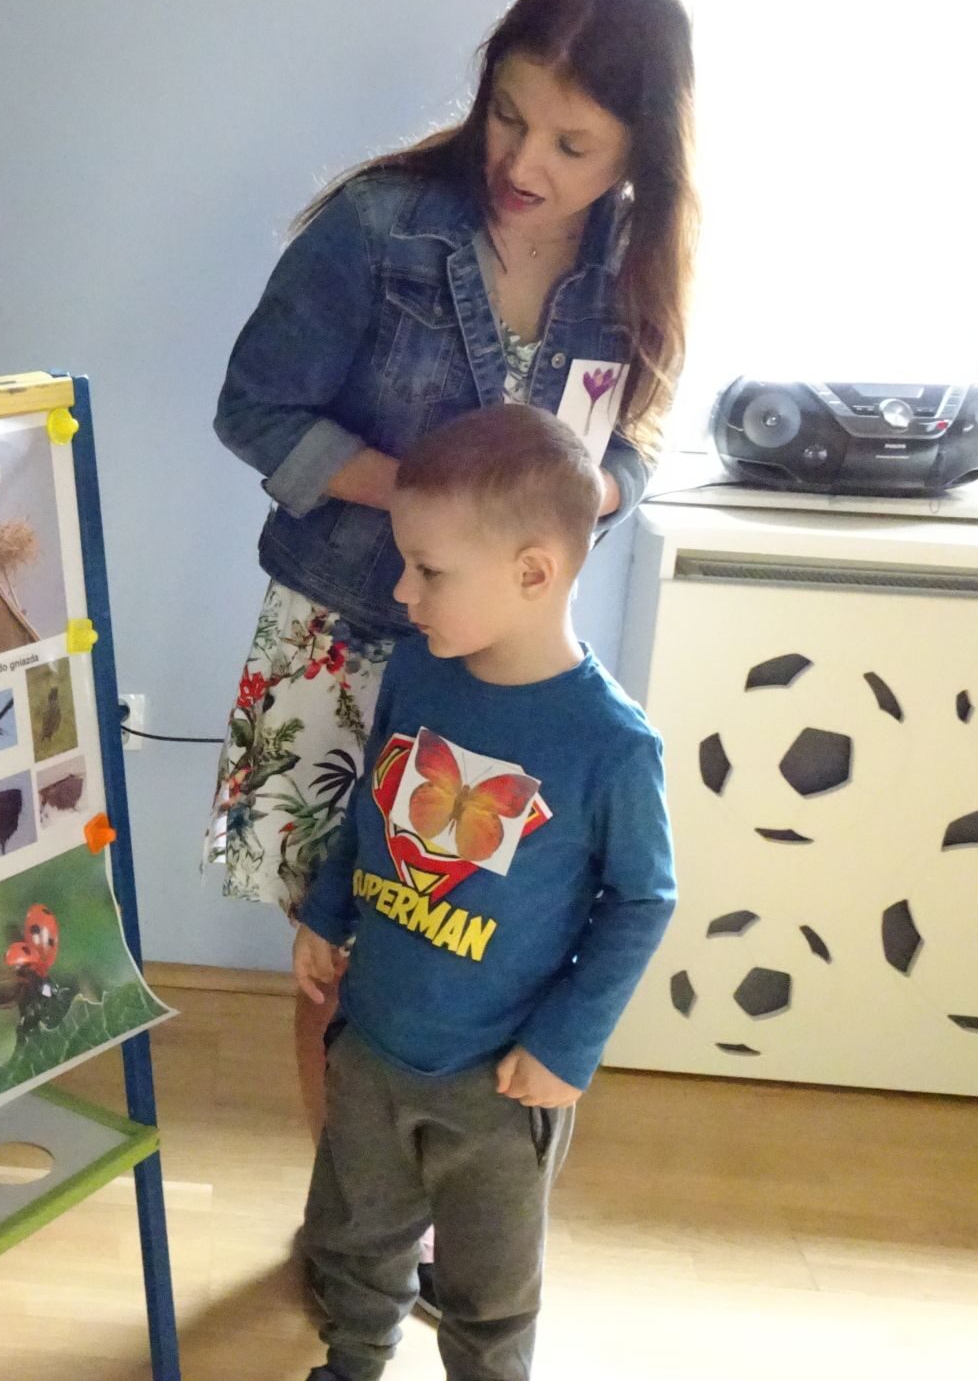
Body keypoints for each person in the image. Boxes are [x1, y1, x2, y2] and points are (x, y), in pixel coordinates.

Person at [204, 0, 695, 1317]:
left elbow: (636, 443)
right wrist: (426, 501)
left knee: (478, 948)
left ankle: (440, 1234)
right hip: (346, 637)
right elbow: (255, 411)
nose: (523, 161)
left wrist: (581, 502)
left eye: (572, 144)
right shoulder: (379, 227)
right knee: (338, 962)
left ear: (639, 151)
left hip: (508, 679)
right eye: (508, 115)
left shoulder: (635, 268)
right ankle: (353, 1232)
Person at [291, 404, 676, 1381]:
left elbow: (641, 901)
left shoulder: (611, 745)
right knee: (354, 1240)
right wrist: (327, 912)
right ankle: (351, 1365)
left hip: (499, 1086)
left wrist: (566, 1046)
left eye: (428, 570)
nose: (401, 590)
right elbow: (375, 799)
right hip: (373, 1047)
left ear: (533, 572)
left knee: (488, 1292)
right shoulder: (420, 672)